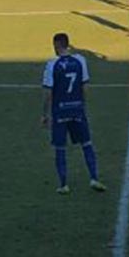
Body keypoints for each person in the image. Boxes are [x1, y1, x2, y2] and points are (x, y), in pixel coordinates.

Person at [41, 32, 105, 195]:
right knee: (87, 144)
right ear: (68, 45)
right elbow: (85, 87)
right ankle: (94, 178)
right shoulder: (80, 61)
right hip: (77, 109)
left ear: (56, 45)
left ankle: (63, 184)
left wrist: (45, 114)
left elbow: (48, 92)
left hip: (60, 111)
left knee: (60, 148)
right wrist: (82, 105)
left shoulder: (51, 65)